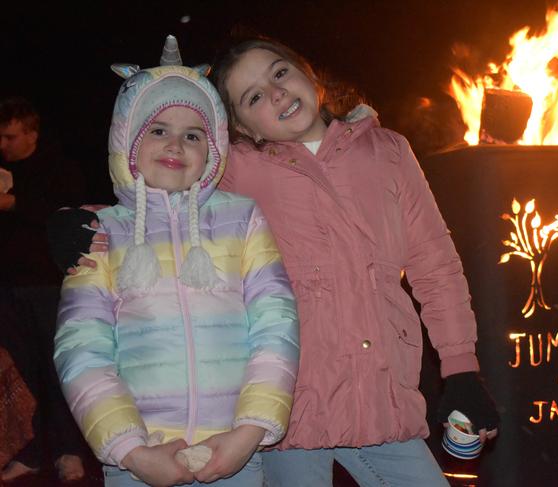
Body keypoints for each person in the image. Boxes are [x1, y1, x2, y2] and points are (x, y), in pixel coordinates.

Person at [50, 36, 499, 487]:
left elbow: (434, 263)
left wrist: (460, 367)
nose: (276, 93)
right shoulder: (241, 168)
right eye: (254, 97)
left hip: (379, 394)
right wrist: (81, 221)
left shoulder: (388, 151)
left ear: (309, 73)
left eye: (279, 72)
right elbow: (164, 186)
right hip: (288, 407)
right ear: (244, 130)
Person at [53, 36, 299, 487]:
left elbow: (276, 323)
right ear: (127, 138)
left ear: (214, 149)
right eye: (158, 129)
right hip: (141, 460)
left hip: (233, 453)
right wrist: (130, 450)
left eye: (193, 134)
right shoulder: (100, 232)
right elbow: (81, 346)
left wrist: (250, 431)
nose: (176, 145)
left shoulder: (242, 219)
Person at [0, 96, 88, 482]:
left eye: (10, 137)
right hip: (7, 288)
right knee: (21, 375)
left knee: (59, 370)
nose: (3, 145)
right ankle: (31, 450)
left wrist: (11, 203)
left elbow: (66, 215)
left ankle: (70, 450)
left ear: (32, 133)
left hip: (48, 286)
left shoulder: (58, 168)